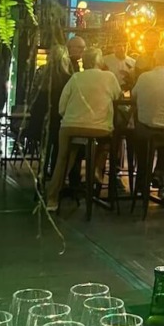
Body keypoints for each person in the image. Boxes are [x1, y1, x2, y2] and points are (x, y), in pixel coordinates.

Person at [45, 47, 121, 211]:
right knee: (108, 140)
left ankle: (52, 199)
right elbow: (118, 96)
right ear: (99, 61)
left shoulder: (75, 78)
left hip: (71, 127)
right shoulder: (109, 77)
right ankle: (96, 169)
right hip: (99, 128)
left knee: (63, 158)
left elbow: (61, 107)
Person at [132, 47, 164, 206]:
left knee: (141, 140)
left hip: (147, 130)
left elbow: (134, 95)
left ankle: (143, 180)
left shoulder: (144, 77)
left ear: (154, 60)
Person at [25, 44, 72, 169]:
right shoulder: (68, 78)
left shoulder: (41, 74)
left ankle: (43, 169)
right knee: (58, 146)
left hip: (41, 118)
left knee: (45, 146)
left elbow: (33, 95)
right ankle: (54, 172)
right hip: (60, 119)